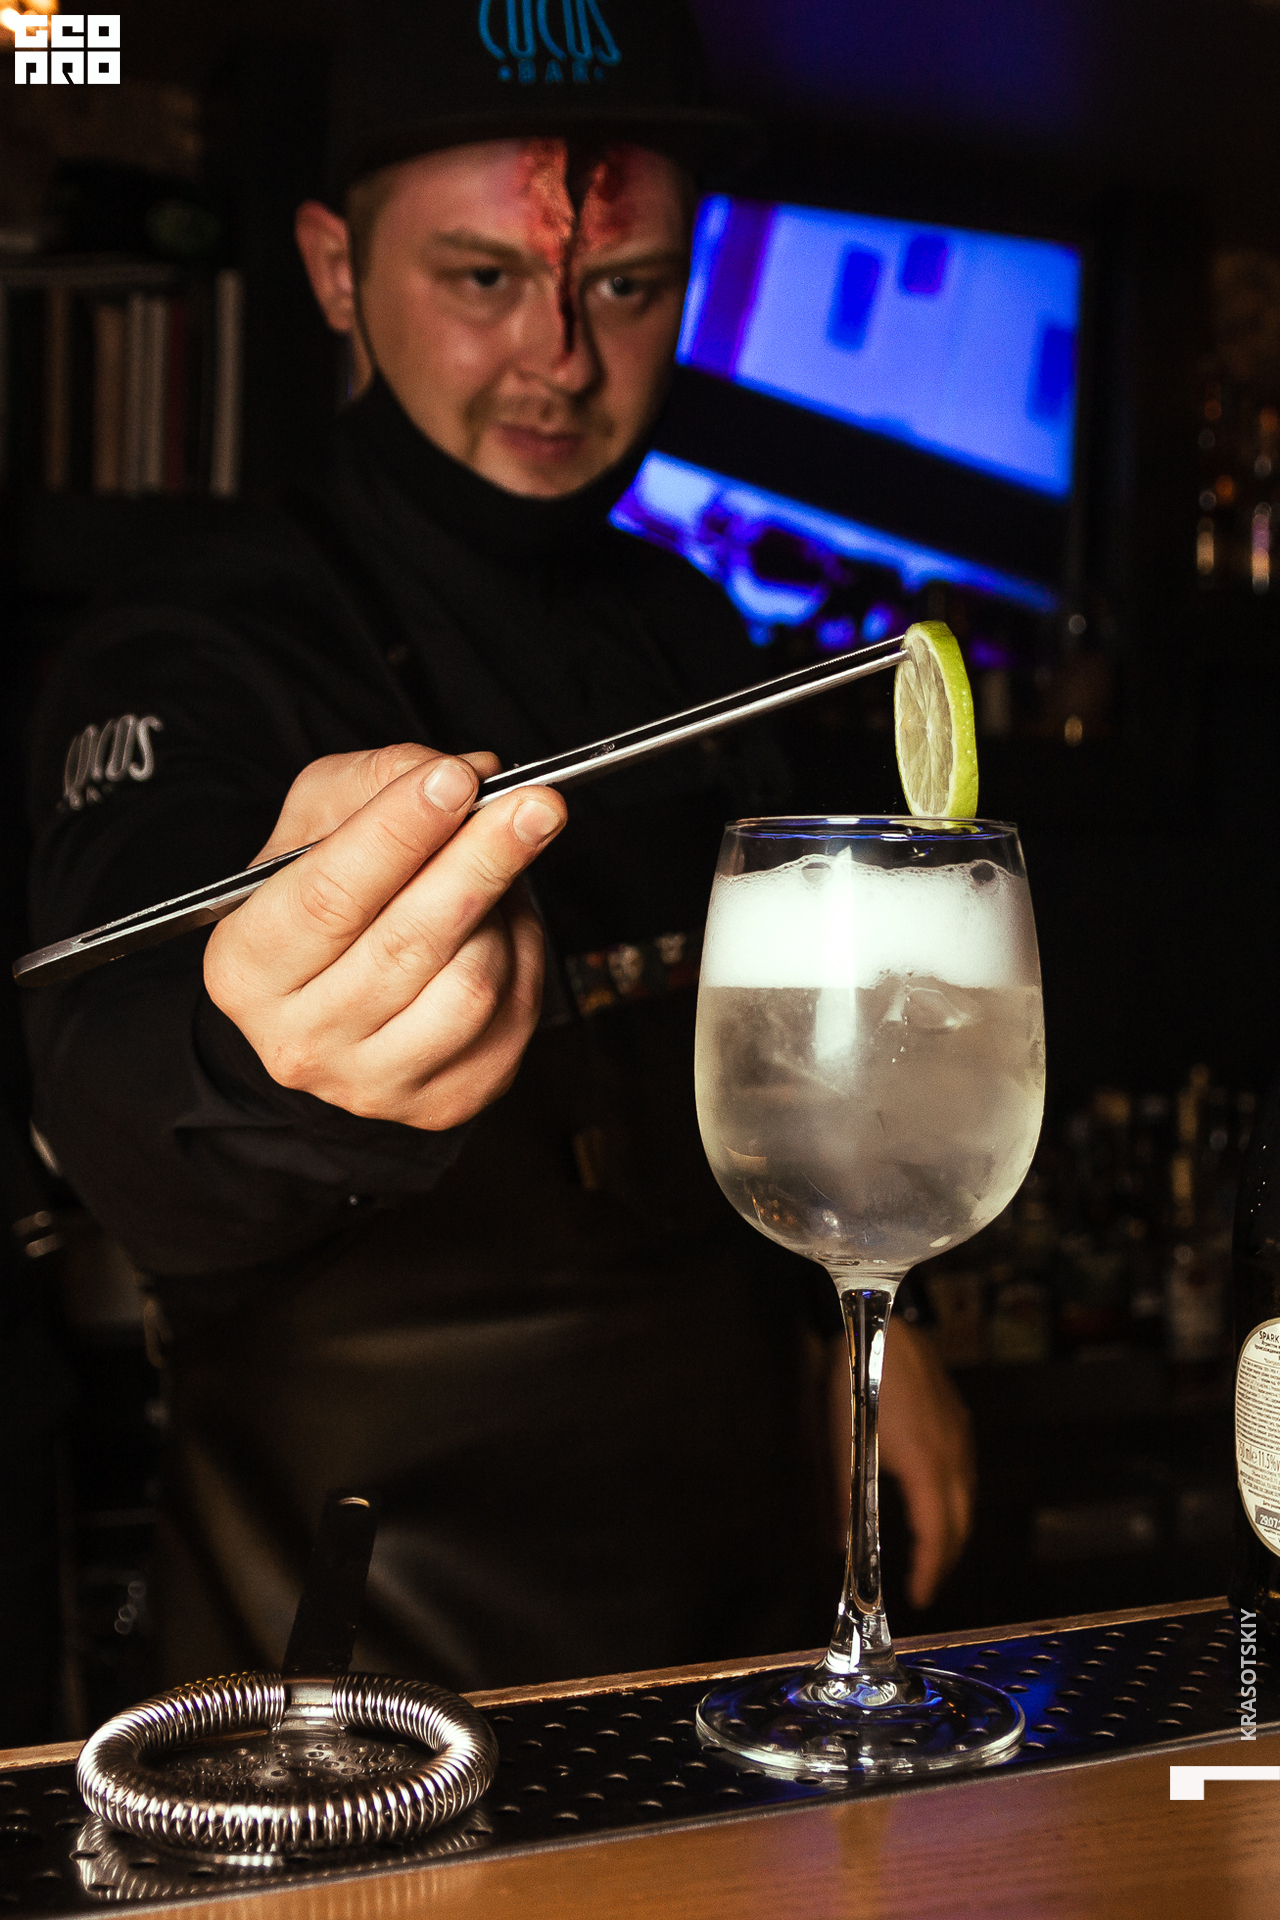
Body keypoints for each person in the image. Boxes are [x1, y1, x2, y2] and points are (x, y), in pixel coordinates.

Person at [23, 0, 973, 1690]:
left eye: (629, 287)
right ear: (335, 270)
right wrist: (263, 1054)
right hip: (358, 1648)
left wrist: (880, 1340)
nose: (562, 356)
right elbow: (107, 1075)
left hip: (744, 1605)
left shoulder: (697, 629)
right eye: (483, 278)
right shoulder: (194, 643)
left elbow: (793, 1070)